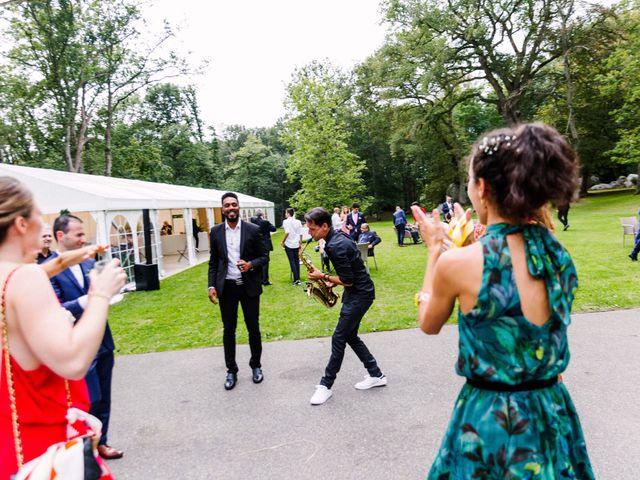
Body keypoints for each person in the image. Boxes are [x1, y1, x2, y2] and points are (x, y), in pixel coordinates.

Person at [412, 123, 593, 478]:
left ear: (481, 187)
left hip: (489, 419)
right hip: (550, 410)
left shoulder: (458, 263)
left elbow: (428, 323)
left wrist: (435, 250)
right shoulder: (558, 256)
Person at [0, 177, 126, 478]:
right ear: (20, 224)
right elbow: (72, 361)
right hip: (44, 450)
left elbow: (32, 277)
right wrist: (101, 294)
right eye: (37, 215)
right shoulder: (26, 279)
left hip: (10, 443)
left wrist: (75, 256)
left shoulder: (12, 279)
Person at [49, 214, 125, 460]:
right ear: (62, 236)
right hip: (76, 344)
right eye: (79, 234)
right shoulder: (51, 269)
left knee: (104, 395)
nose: (84, 239)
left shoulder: (86, 264)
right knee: (86, 400)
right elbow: (58, 308)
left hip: (103, 340)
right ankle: (83, 449)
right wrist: (91, 299)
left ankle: (102, 442)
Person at [304, 208, 386, 406]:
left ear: (325, 227)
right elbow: (349, 274)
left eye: (312, 229)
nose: (309, 233)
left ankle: (326, 385)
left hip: (359, 294)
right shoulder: (337, 237)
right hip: (359, 292)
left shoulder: (335, 246)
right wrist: (333, 281)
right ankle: (376, 374)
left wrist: (322, 276)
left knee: (339, 337)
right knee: (349, 335)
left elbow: (348, 280)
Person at [208, 192, 268, 391]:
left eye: (234, 204)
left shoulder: (253, 229)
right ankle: (231, 370)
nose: (231, 208)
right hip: (227, 288)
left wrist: (250, 264)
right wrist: (211, 286)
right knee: (229, 330)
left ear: (238, 207)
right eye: (227, 205)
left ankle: (256, 366)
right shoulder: (215, 232)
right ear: (222, 209)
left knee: (253, 328)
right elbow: (214, 263)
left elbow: (264, 256)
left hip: (249, 287)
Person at [250, 209, 277, 286]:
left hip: (256, 244)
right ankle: (265, 280)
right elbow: (274, 228)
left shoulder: (253, 220)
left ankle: (258, 279)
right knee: (265, 261)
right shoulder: (265, 222)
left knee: (257, 261)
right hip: (265, 243)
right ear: (262, 214)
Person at [281, 208, 303, 286]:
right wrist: (300, 242)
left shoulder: (286, 221)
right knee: (296, 260)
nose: (285, 214)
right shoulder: (298, 221)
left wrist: (282, 241)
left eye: (286, 213)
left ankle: (296, 279)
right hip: (296, 243)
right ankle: (298, 278)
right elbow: (301, 233)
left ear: (288, 213)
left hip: (289, 243)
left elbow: (287, 232)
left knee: (292, 261)